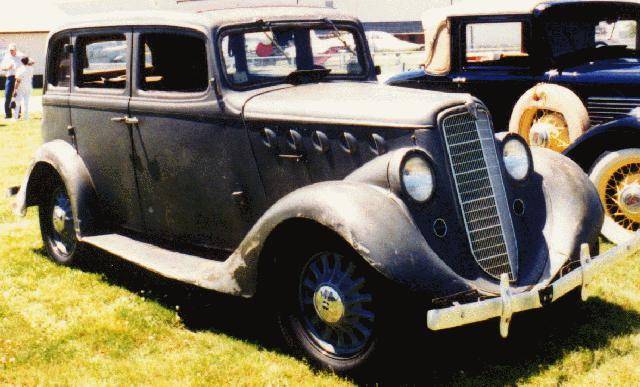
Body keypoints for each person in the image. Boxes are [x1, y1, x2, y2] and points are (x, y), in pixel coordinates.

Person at [0, 43, 23, 119]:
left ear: (15, 50)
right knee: (7, 96)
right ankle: (8, 114)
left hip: (18, 78)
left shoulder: (20, 57)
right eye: (10, 50)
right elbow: (2, 67)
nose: (11, 52)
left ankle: (18, 114)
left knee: (17, 95)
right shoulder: (7, 57)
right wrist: (8, 67)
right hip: (10, 77)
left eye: (12, 50)